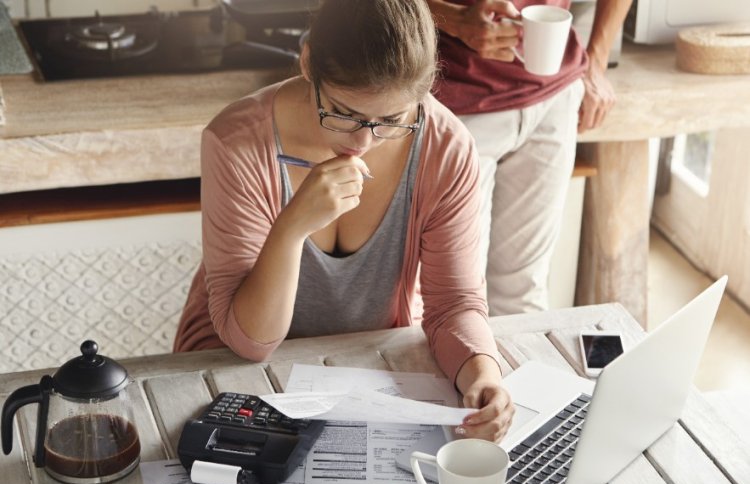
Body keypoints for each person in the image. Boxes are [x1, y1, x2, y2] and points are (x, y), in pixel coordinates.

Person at [174, 0, 515, 442]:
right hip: (230, 368)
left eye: (392, 120)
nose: (363, 142)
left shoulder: (446, 148)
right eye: (344, 113)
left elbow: (453, 305)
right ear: (308, 62)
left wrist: (482, 375)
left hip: (366, 369)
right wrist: (292, 226)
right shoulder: (237, 142)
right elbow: (250, 341)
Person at [426, 0, 632, 315]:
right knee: (457, 300)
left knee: (524, 293)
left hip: (555, 96)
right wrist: (452, 20)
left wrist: (597, 62)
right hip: (454, 103)